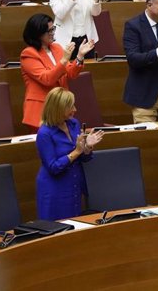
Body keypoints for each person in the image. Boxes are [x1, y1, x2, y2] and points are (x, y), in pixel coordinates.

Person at [35, 87, 104, 221]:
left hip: (74, 184)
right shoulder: (44, 133)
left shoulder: (73, 124)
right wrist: (77, 151)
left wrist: (87, 147)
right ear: (58, 109)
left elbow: (82, 158)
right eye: (70, 106)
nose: (75, 109)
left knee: (75, 226)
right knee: (58, 230)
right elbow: (53, 167)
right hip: (54, 189)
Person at [20, 13, 94, 130]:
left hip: (60, 107)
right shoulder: (29, 54)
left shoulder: (57, 48)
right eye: (48, 31)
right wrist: (64, 60)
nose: (52, 32)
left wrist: (79, 56)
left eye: (53, 28)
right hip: (42, 110)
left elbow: (71, 73)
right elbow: (47, 79)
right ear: (38, 34)